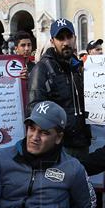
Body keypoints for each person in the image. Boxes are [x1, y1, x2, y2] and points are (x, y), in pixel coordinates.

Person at [28, 18, 90, 159]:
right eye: (60, 38)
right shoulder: (42, 69)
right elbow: (35, 110)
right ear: (52, 41)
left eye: (69, 37)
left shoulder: (79, 68)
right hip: (60, 148)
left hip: (82, 144)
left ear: (75, 38)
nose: (66, 42)